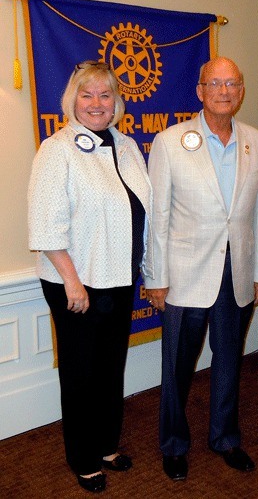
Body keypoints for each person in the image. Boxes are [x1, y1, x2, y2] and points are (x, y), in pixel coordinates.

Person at [28, 61, 153, 492]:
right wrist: (73, 282)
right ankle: (82, 457)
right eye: (88, 95)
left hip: (118, 278)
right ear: (72, 101)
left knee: (109, 368)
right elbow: (46, 225)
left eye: (105, 95)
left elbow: (142, 212)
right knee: (81, 374)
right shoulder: (57, 149)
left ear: (117, 102)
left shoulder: (127, 145)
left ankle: (104, 445)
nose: (97, 103)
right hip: (76, 281)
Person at [144, 56, 258, 481]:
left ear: (241, 91)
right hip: (184, 276)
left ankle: (225, 438)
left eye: (232, 83)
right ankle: (174, 443)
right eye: (214, 83)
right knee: (178, 366)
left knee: (229, 362)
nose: (224, 90)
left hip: (235, 274)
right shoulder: (170, 141)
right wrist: (156, 277)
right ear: (200, 91)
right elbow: (157, 216)